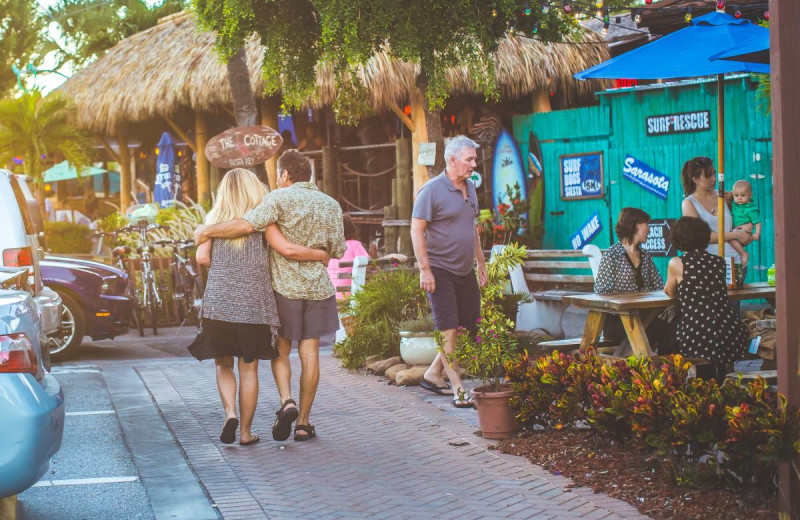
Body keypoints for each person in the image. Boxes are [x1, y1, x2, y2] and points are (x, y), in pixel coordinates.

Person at [195, 150, 346, 442]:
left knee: (280, 351)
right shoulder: (331, 204)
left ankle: (282, 401)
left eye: (278, 174)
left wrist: (207, 230)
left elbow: (250, 229)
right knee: (310, 353)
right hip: (316, 287)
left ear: (285, 175)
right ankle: (302, 422)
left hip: (284, 287)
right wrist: (319, 254)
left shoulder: (277, 200)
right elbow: (336, 250)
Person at [411, 135, 488, 408]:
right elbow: (416, 229)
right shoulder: (432, 190)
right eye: (469, 159)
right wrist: (425, 270)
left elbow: (472, 228)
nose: (474, 164)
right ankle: (458, 389)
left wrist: (480, 262)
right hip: (439, 270)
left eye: (474, 159)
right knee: (447, 329)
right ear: (452, 160)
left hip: (465, 270)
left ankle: (433, 373)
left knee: (468, 325)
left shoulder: (470, 188)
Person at [664, 217, 750, 380]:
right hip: (728, 329)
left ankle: (692, 384)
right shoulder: (718, 262)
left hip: (697, 332)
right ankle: (717, 384)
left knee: (666, 337)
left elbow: (671, 293)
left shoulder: (677, 263)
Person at [594, 207, 666, 348]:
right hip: (618, 321)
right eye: (647, 225)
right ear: (636, 225)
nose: (649, 230)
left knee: (669, 330)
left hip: (643, 318)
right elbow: (601, 292)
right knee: (659, 332)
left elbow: (659, 287)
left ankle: (664, 368)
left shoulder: (645, 255)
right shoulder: (612, 255)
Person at [680, 157, 753, 267]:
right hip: (709, 265)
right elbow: (701, 237)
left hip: (736, 262)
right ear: (695, 179)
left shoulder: (723, 195)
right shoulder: (689, 203)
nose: (714, 179)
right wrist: (736, 235)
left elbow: (741, 217)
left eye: (714, 173)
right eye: (708, 175)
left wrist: (745, 229)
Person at [327, 214, 408, 300]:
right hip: (349, 297)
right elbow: (371, 264)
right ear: (351, 228)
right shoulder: (354, 245)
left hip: (330, 299)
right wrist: (389, 256)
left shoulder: (329, 248)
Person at [729, 179, 762, 267]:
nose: (739, 198)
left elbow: (757, 222)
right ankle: (740, 257)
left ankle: (743, 253)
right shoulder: (735, 204)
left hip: (745, 231)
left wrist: (757, 234)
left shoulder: (751, 209)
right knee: (731, 238)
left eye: (743, 195)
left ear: (750, 195)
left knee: (730, 237)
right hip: (737, 229)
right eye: (736, 195)